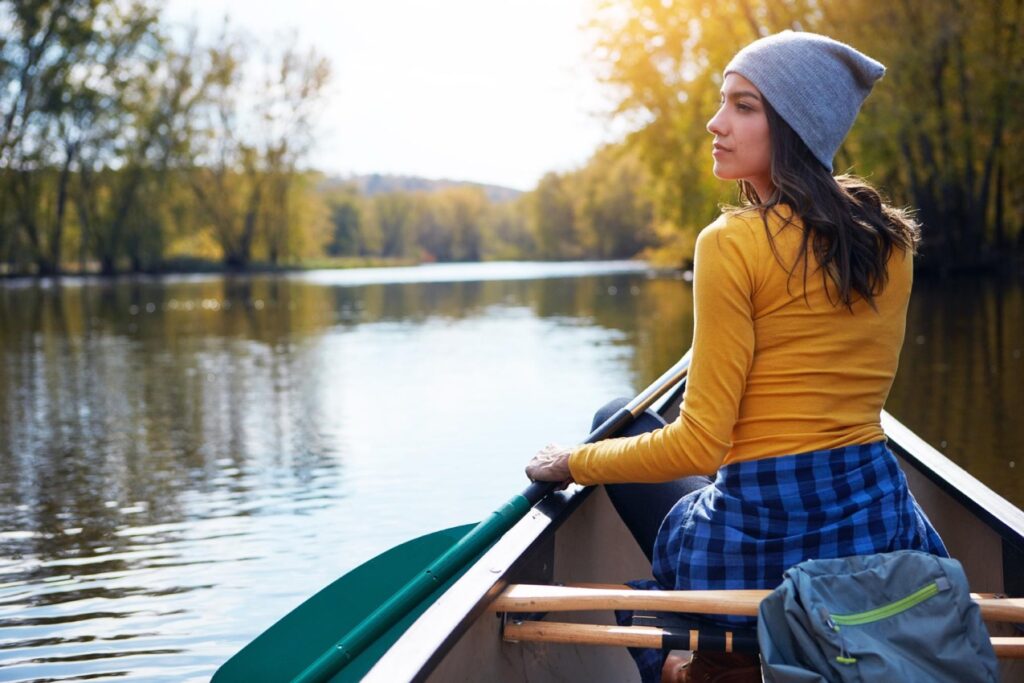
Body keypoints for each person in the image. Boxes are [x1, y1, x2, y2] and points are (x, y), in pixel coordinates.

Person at [525, 31, 948, 683]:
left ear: (794, 124)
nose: (714, 123)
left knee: (614, 414)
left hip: (761, 544)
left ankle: (694, 669)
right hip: (873, 527)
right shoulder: (890, 242)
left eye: (743, 106)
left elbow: (699, 445)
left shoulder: (729, 243)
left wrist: (574, 461)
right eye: (724, 103)